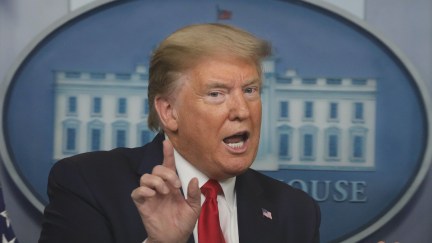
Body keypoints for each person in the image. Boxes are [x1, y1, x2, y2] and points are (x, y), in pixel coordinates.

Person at [39, 23, 320, 243]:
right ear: (169, 112)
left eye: (250, 90)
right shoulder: (88, 184)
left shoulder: (296, 212)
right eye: (216, 93)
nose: (242, 110)